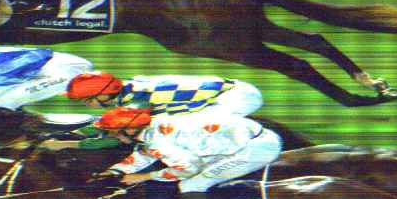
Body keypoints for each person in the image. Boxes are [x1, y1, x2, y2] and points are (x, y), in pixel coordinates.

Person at [93, 106, 285, 199]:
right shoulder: (155, 126)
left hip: (255, 149)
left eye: (115, 133)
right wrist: (116, 171)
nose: (113, 136)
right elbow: (145, 154)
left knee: (191, 185)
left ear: (130, 129)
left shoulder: (161, 141)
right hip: (244, 138)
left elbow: (187, 170)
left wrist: (144, 177)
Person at [64, 72, 264, 121]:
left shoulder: (139, 98)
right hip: (226, 91)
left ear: (105, 95)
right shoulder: (127, 90)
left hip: (237, 96)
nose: (87, 104)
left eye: (88, 99)